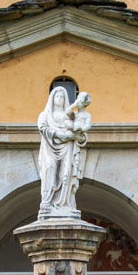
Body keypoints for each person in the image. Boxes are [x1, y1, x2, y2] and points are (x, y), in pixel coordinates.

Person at [35, 84, 92, 217]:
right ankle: (47, 202)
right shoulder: (45, 115)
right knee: (50, 169)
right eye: (57, 96)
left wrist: (74, 135)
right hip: (50, 147)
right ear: (52, 98)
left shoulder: (70, 115)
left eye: (62, 96)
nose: (60, 98)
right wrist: (58, 134)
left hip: (67, 148)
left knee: (67, 173)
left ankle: (65, 203)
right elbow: (42, 128)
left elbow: (81, 132)